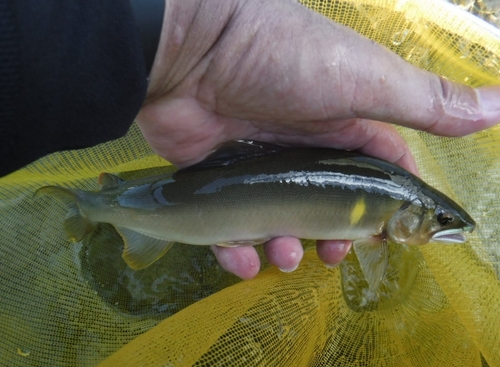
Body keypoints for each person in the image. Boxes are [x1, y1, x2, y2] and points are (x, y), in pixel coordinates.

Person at [2, 0, 500, 279]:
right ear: (411, 215)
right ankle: (94, 207)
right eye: (437, 219)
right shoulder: (386, 202)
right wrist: (194, 37)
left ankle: (97, 204)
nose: (441, 225)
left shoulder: (387, 192)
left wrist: (191, 36)